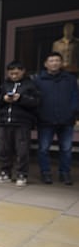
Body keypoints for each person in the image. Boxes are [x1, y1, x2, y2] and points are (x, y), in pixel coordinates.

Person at [0, 61, 40, 187]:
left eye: (17, 73)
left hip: (22, 122)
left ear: (23, 71)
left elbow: (36, 102)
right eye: (11, 73)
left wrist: (21, 99)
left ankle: (22, 175)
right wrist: (3, 99)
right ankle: (5, 173)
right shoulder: (4, 85)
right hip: (4, 121)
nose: (14, 75)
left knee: (22, 150)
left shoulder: (30, 85)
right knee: (3, 149)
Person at [34, 51, 79, 185]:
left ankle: (64, 173)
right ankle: (45, 172)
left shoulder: (70, 79)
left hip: (66, 120)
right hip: (45, 120)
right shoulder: (38, 80)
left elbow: (75, 97)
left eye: (57, 60)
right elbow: (35, 99)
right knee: (43, 148)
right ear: (46, 64)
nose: (54, 63)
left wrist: (73, 112)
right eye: (51, 60)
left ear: (61, 63)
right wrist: (39, 114)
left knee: (66, 149)